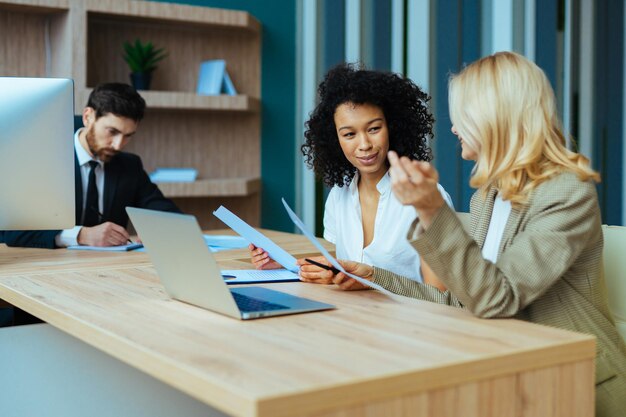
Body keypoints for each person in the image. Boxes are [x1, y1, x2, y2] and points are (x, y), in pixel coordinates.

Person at [321, 52, 626, 416]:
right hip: (502, 363)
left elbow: (497, 298)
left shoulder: (567, 193)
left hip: (567, 381)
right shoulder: (487, 198)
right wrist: (372, 277)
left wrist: (430, 209)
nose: (452, 128)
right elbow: (460, 302)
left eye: (462, 116)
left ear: (495, 119)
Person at [250, 63, 453, 283]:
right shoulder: (340, 195)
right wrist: (286, 264)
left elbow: (442, 295)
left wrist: (372, 282)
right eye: (349, 134)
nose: (364, 144)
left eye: (374, 129)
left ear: (392, 128)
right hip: (352, 313)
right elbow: (340, 264)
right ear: (334, 139)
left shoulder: (426, 198)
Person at [4, 83, 180, 249]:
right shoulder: (42, 158)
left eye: (128, 135)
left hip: (106, 270)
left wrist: (160, 229)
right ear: (88, 117)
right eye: (112, 132)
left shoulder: (129, 165)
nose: (118, 145)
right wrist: (81, 235)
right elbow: (12, 230)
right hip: (44, 268)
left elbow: (165, 212)